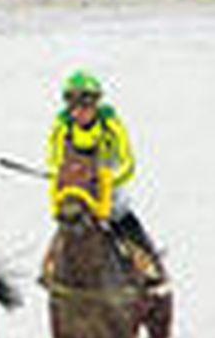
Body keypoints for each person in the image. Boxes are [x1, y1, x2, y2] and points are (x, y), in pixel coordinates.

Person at [45, 70, 166, 287]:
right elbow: (54, 160)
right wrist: (65, 176)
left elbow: (128, 163)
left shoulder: (111, 126)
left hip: (108, 187)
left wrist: (108, 179)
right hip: (77, 189)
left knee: (123, 217)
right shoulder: (62, 127)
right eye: (74, 107)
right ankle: (50, 266)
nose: (79, 113)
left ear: (94, 105)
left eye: (84, 106)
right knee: (66, 220)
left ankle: (149, 264)